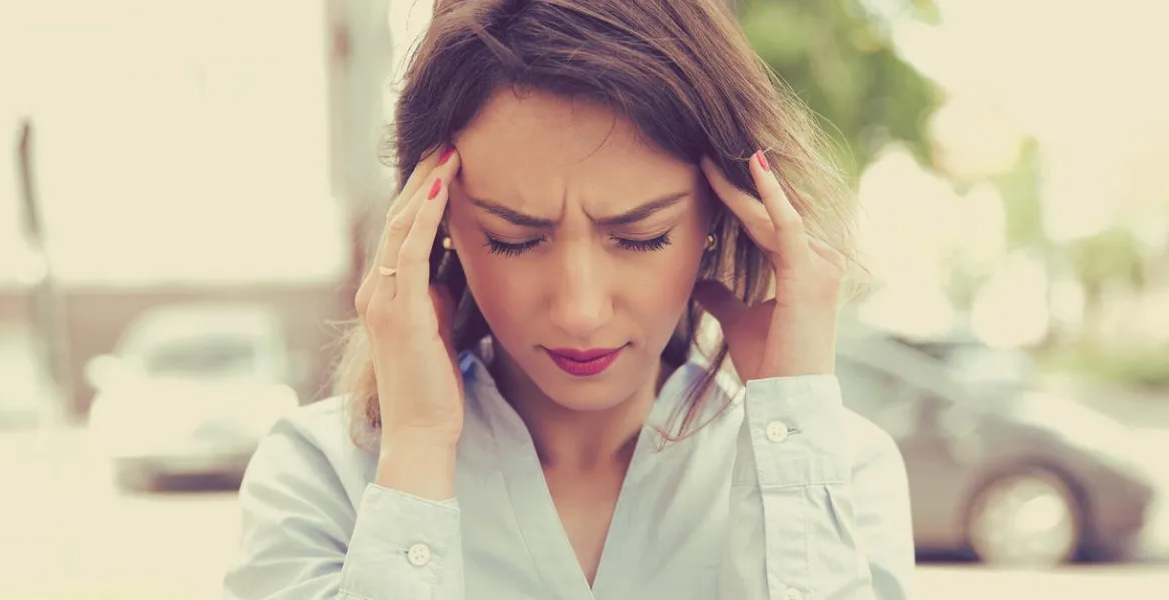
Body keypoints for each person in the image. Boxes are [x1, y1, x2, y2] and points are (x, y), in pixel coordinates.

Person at [223, 0, 914, 598]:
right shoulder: (321, 477)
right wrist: (417, 456)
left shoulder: (839, 474)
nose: (580, 311)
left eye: (641, 236)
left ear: (723, 216)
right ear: (436, 226)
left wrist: (791, 435)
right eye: (514, 238)